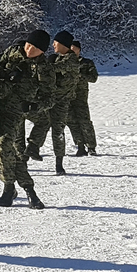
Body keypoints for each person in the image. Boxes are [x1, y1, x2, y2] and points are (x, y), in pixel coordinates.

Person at [0, 31, 52, 209]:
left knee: (8, 146)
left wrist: (34, 106)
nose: (29, 49)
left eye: (35, 48)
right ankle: (11, 187)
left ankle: (21, 189)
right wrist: (7, 74)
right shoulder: (14, 51)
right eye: (28, 45)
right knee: (6, 151)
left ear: (42, 51)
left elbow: (50, 98)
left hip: (17, 112)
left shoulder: (45, 69)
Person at [27, 31, 80, 175]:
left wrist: (42, 64)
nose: (53, 45)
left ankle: (59, 163)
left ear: (63, 44)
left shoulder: (71, 60)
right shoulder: (57, 58)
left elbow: (53, 70)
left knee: (58, 131)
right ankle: (32, 149)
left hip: (61, 102)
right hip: (49, 99)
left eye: (56, 42)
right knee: (42, 123)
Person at [69, 41, 99, 156]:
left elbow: (93, 78)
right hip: (67, 96)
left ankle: (91, 146)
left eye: (74, 48)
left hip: (80, 97)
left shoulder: (86, 63)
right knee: (72, 122)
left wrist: (80, 75)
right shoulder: (65, 62)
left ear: (79, 49)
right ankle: (80, 145)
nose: (72, 50)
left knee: (85, 121)